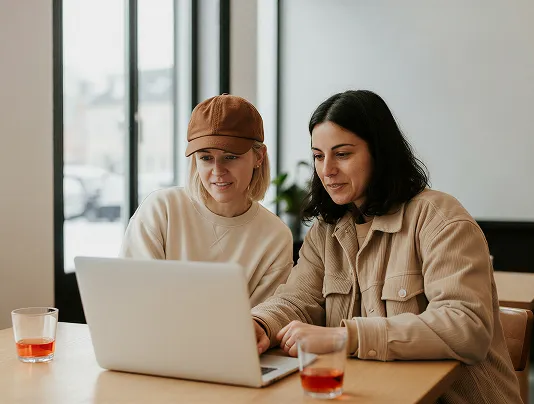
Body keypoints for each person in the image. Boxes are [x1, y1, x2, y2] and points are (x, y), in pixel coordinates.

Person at [252, 90, 522, 403]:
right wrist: (260, 323)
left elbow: (465, 328)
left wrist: (345, 336)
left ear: (379, 153)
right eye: (318, 155)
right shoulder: (327, 230)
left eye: (342, 154)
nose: (326, 170)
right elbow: (298, 299)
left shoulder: (442, 220)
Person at [120, 94, 294, 306]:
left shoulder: (275, 236)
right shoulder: (162, 210)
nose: (217, 171)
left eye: (230, 156)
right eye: (205, 157)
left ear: (259, 157)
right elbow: (132, 299)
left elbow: (256, 326)